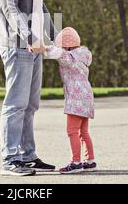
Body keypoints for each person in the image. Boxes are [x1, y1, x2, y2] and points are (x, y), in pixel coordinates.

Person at [0, 0, 57, 176]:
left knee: (30, 105)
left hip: (34, 48)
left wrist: (57, 38)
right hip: (17, 45)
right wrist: (30, 38)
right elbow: (11, 9)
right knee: (15, 104)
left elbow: (40, 9)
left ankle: (27, 155)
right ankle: (10, 159)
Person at [44, 27, 97, 174]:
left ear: (66, 46)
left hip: (75, 98)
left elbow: (54, 52)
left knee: (72, 131)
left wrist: (39, 48)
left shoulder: (68, 57)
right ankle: (90, 161)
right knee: (84, 132)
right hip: (87, 97)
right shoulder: (84, 54)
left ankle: (76, 162)